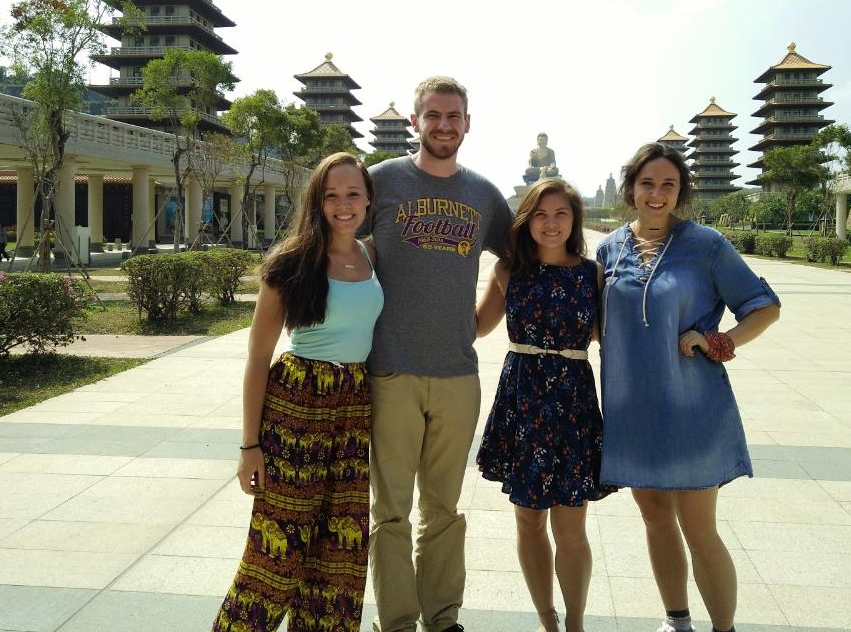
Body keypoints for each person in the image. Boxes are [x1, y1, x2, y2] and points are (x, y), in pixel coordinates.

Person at [596, 143, 780, 632]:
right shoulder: (609, 248)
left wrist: (720, 340)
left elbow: (764, 306)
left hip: (692, 408)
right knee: (654, 519)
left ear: (680, 191)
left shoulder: (707, 245)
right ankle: (676, 621)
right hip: (630, 408)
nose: (657, 194)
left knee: (700, 530)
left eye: (668, 185)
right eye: (647, 184)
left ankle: (724, 629)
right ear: (630, 188)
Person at [365, 76, 514, 632]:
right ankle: (398, 620)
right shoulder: (380, 183)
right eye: (434, 116)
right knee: (391, 510)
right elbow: (334, 247)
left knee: (444, 509)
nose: (444, 126)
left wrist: (480, 320)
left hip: (456, 374)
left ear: (468, 123)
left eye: (454, 116)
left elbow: (515, 261)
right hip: (390, 371)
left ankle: (443, 617)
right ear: (415, 122)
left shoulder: (483, 195)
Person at [213, 152, 383, 632]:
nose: (343, 205)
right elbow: (257, 358)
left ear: (368, 199)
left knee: (339, 558)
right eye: (332, 196)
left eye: (353, 193)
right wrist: (250, 448)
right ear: (317, 201)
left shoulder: (372, 254)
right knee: (276, 556)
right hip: (297, 408)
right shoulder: (291, 261)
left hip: (352, 411)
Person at [475, 179, 612, 632]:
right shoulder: (507, 270)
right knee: (530, 521)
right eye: (540, 214)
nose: (551, 224)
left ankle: (575, 623)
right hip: (523, 398)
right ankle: (547, 621)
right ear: (526, 219)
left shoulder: (592, 273)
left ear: (574, 220)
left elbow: (611, 335)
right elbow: (476, 326)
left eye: (561, 214)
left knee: (571, 529)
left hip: (573, 399)